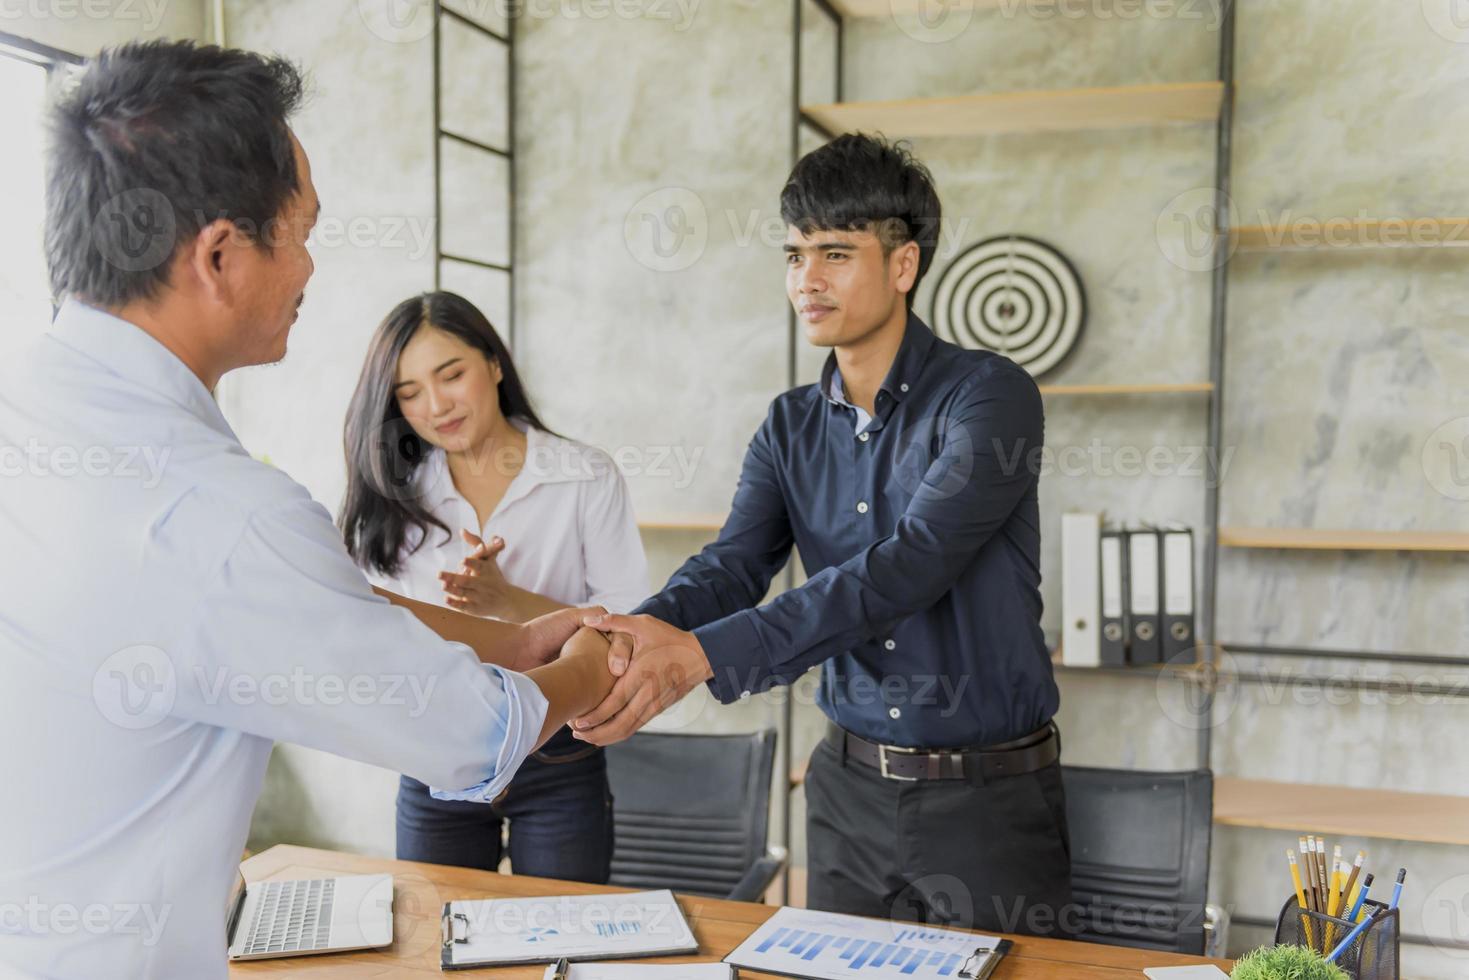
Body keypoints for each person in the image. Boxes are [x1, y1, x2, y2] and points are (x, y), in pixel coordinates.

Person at [0, 41, 614, 980]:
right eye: (304, 232)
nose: (311, 270)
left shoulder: (38, 419)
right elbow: (470, 734)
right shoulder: (217, 510)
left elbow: (296, 611)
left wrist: (506, 637)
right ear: (219, 254)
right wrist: (577, 664)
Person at [570, 134, 1070, 936]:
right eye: (794, 254)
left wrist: (702, 656)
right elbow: (733, 564)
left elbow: (905, 570)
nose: (806, 279)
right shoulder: (789, 424)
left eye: (835, 253)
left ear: (902, 265)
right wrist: (645, 629)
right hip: (845, 792)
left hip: (988, 803)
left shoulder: (990, 397)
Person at [340, 290, 648, 882]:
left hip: (560, 748)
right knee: (441, 942)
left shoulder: (583, 475)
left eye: (451, 374)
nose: (435, 405)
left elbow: (634, 629)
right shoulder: (390, 494)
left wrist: (511, 605)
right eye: (408, 392)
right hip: (435, 752)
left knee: (566, 943)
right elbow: (368, 631)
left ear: (495, 363)